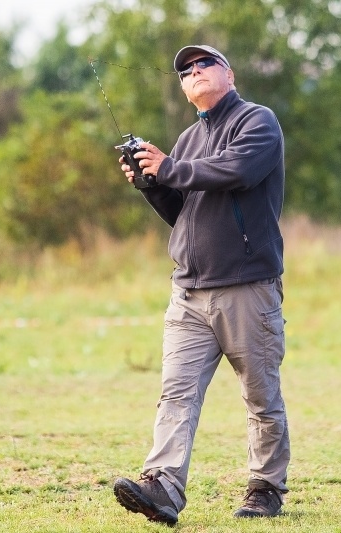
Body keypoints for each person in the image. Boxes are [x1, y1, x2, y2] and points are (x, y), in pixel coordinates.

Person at [112, 45, 290, 525]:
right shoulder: (188, 139)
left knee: (260, 395)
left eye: (203, 64)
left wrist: (168, 168)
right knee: (176, 392)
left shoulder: (258, 122)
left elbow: (237, 171)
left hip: (247, 287)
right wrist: (153, 184)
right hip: (189, 291)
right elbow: (183, 214)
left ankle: (266, 487)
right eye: (186, 71)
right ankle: (163, 487)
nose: (194, 73)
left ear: (229, 74)